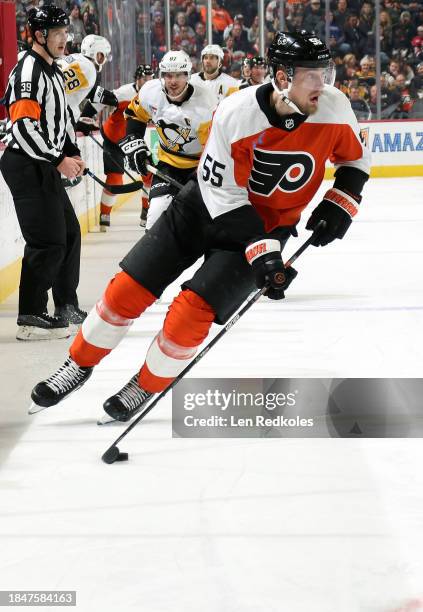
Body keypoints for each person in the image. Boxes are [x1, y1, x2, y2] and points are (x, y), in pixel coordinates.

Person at [30, 30, 371, 421]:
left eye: (323, 72)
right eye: (311, 75)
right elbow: (222, 194)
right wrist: (263, 252)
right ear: (281, 77)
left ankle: (145, 383)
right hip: (201, 209)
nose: (322, 84)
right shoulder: (237, 113)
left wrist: (340, 202)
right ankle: (78, 363)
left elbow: (355, 160)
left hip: (267, 227)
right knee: (128, 288)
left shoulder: (334, 106)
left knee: (192, 313)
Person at [0, 5, 87, 341]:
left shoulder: (54, 69)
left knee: (68, 233)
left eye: (66, 32)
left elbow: (62, 117)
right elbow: (22, 128)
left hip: (43, 160)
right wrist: (57, 159)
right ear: (38, 36)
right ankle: (31, 317)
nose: (65, 38)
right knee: (47, 241)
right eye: (58, 33)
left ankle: (65, 305)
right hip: (25, 164)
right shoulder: (27, 73)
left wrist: (72, 151)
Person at [118, 50, 216, 231]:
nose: (173, 81)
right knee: (155, 215)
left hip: (200, 167)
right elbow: (135, 115)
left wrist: (199, 180)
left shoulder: (206, 104)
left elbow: (214, 149)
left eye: (179, 75)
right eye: (168, 75)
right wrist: (135, 142)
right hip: (168, 165)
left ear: (188, 75)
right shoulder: (150, 91)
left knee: (199, 226)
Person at [99, 64, 154, 230]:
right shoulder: (123, 93)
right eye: (144, 78)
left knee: (148, 174)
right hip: (113, 140)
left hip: (132, 141)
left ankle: (146, 211)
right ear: (137, 79)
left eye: (150, 79)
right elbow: (99, 100)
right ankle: (104, 215)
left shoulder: (153, 95)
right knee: (115, 179)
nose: (147, 82)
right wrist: (85, 118)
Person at [57, 34, 117, 137]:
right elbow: (58, 88)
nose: (105, 59)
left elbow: (81, 88)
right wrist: (77, 121)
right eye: (104, 55)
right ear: (98, 55)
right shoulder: (88, 68)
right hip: (50, 119)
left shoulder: (76, 57)